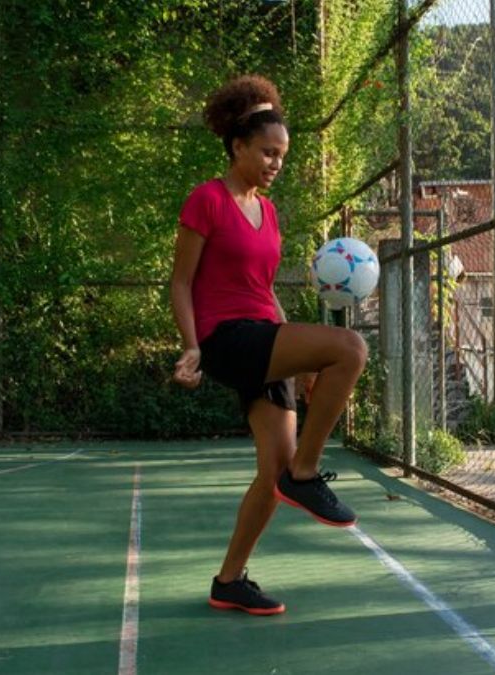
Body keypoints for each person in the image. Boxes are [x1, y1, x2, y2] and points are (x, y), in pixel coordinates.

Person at [169, 74, 369, 616]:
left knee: (270, 473)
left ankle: (228, 581)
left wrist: (300, 361)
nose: (276, 162)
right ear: (238, 146)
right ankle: (306, 475)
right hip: (227, 339)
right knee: (350, 348)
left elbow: (263, 292)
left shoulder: (270, 211)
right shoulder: (207, 199)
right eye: (267, 152)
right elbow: (181, 282)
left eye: (282, 154)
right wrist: (192, 347)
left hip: (264, 335)